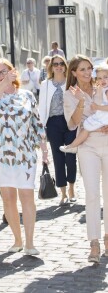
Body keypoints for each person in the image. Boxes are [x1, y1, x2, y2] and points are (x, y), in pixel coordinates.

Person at [0, 58, 48, 255]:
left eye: (6, 71)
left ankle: (29, 242)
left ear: (14, 72)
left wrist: (44, 150)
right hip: (0, 155)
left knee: (27, 196)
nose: (3, 75)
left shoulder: (28, 95)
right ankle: (17, 240)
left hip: (26, 154)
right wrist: (4, 83)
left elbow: (37, 124)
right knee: (8, 199)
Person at [63, 54, 108, 263]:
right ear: (73, 72)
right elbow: (72, 124)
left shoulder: (104, 86)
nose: (88, 73)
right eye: (82, 69)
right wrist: (81, 101)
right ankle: (94, 242)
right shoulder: (69, 95)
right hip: (87, 145)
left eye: (89, 68)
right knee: (92, 194)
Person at [39, 55, 77, 205]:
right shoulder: (45, 85)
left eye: (61, 63)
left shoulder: (70, 82)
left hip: (69, 122)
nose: (59, 66)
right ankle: (63, 192)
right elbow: (42, 108)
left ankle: (72, 189)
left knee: (70, 157)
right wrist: (41, 129)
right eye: (56, 64)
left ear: (65, 66)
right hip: (53, 123)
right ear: (51, 67)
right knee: (58, 157)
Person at [60, 65, 108, 153]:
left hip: (104, 116)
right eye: (100, 78)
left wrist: (98, 107)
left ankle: (72, 146)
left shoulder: (105, 90)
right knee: (86, 127)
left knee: (86, 127)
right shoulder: (101, 88)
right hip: (91, 145)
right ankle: (72, 146)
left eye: (106, 77)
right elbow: (74, 122)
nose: (103, 80)